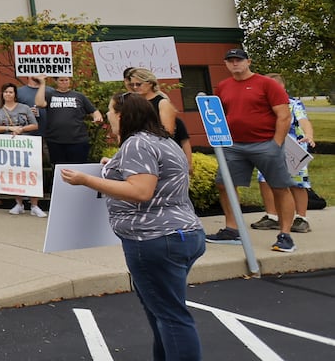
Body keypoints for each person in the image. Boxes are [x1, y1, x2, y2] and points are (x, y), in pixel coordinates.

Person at [61, 94, 206, 361]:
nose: (109, 119)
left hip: (154, 239)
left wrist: (88, 180)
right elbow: (150, 175)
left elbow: (141, 190)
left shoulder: (137, 144)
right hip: (183, 233)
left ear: (123, 115)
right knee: (161, 306)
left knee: (170, 312)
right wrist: (112, 166)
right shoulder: (162, 140)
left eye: (112, 113)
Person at [207, 49, 298, 252]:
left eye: (238, 60)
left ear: (248, 61)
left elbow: (283, 115)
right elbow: (219, 113)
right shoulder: (223, 86)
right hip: (233, 145)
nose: (235, 63)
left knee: (280, 187)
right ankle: (232, 230)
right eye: (230, 60)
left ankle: (285, 235)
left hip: (265, 143)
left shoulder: (267, 84)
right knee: (225, 185)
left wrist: (276, 143)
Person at [252, 73, 314, 234]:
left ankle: (301, 218)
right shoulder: (262, 106)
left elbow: (303, 120)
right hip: (269, 146)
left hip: (293, 146)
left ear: (282, 87)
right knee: (264, 179)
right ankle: (272, 216)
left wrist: (309, 135)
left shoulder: (293, 103)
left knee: (297, 182)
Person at [30, 73, 103, 201]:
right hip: (55, 140)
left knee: (78, 169)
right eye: (61, 80)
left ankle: (79, 197)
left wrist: (97, 117)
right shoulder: (50, 95)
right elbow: (39, 103)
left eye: (66, 80)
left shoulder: (78, 96)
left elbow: (93, 110)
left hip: (78, 140)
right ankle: (61, 197)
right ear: (56, 82)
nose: (64, 82)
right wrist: (42, 83)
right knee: (59, 170)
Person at [0, 83, 44, 217]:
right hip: (8, 146)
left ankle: (34, 205)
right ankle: (19, 203)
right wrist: (9, 129)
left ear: (15, 94)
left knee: (31, 173)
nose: (8, 94)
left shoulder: (24, 108)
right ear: (2, 94)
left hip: (26, 144)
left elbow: (34, 125)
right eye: (6, 92)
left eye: (11, 92)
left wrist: (21, 129)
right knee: (14, 174)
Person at [126, 69, 191, 166]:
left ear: (150, 83)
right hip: (140, 151)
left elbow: (167, 132)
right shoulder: (134, 103)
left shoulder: (162, 103)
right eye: (132, 85)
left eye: (138, 84)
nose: (135, 87)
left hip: (161, 152)